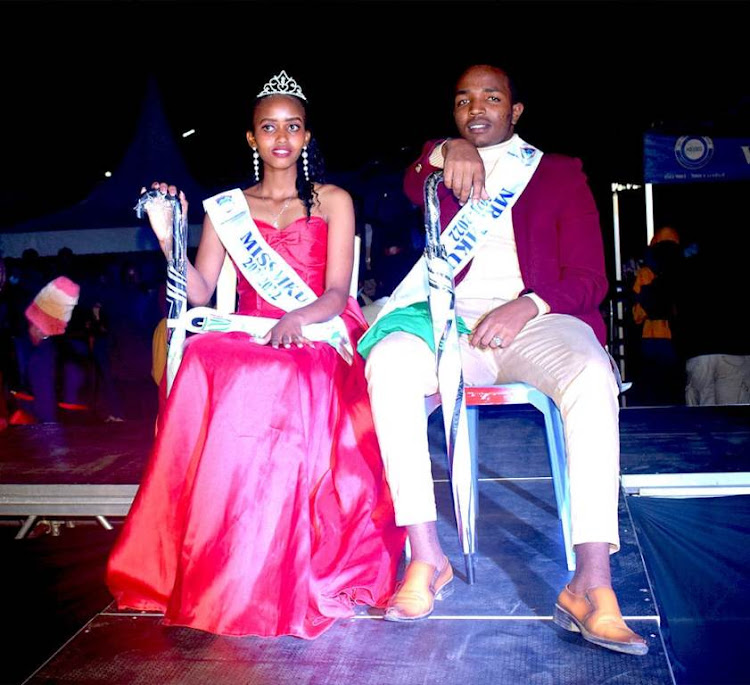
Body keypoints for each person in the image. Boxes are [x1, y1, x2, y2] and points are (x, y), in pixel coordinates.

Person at [359, 64, 648, 655]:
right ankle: (426, 558)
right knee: (387, 362)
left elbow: (592, 278)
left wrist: (529, 305)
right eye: (464, 100)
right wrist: (442, 149)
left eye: (492, 97)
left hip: (537, 321)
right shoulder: (443, 164)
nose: (478, 107)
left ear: (516, 111)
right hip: (449, 324)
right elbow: (407, 187)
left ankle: (591, 585)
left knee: (593, 378)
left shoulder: (560, 172)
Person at [106, 70, 405, 639]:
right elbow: (199, 289)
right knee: (200, 360)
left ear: (307, 136)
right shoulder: (227, 208)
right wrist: (169, 236)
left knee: (285, 373)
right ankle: (218, 553)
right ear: (252, 139)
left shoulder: (334, 200)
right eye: (269, 127)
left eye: (293, 127)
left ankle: (285, 560)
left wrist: (297, 317)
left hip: (317, 326)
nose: (282, 138)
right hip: (248, 326)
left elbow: (339, 291)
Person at [678, 235, 750, 405]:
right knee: (734, 420)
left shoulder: (687, 267)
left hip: (698, 352)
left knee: (703, 422)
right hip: (735, 351)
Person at [630, 225, 685, 405]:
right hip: (675, 340)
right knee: (673, 391)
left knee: (655, 392)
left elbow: (637, 315)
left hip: (652, 339)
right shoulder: (681, 271)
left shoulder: (646, 273)